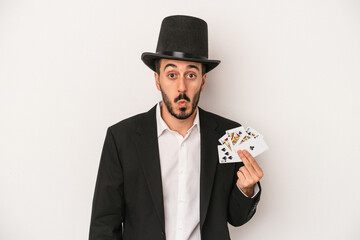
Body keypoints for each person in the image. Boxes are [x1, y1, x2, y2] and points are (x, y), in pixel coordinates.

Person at [89, 15, 263, 240]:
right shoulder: (121, 138)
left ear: (203, 80)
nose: (182, 86)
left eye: (191, 75)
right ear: (157, 80)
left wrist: (246, 190)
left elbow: (236, 218)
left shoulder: (230, 136)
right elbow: (104, 225)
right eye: (172, 75)